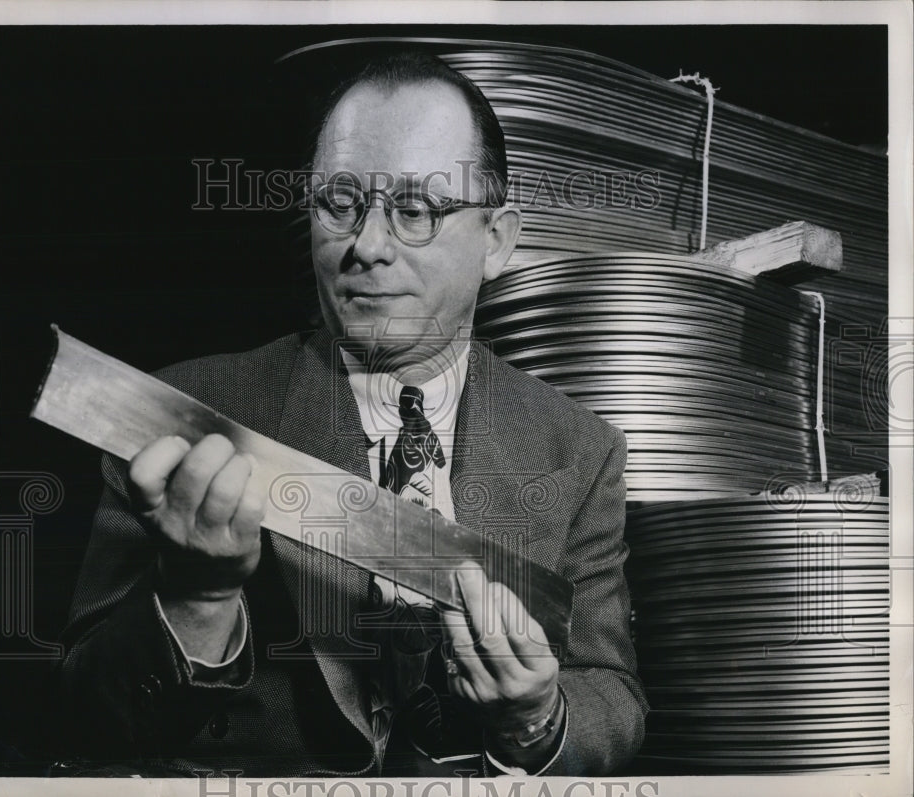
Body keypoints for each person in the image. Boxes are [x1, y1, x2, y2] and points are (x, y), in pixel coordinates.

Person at [59, 51, 647, 778]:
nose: (366, 247)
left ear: (496, 240)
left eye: (415, 210)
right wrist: (195, 597)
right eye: (340, 204)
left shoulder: (580, 450)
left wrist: (536, 720)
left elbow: (612, 694)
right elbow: (88, 719)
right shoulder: (183, 419)